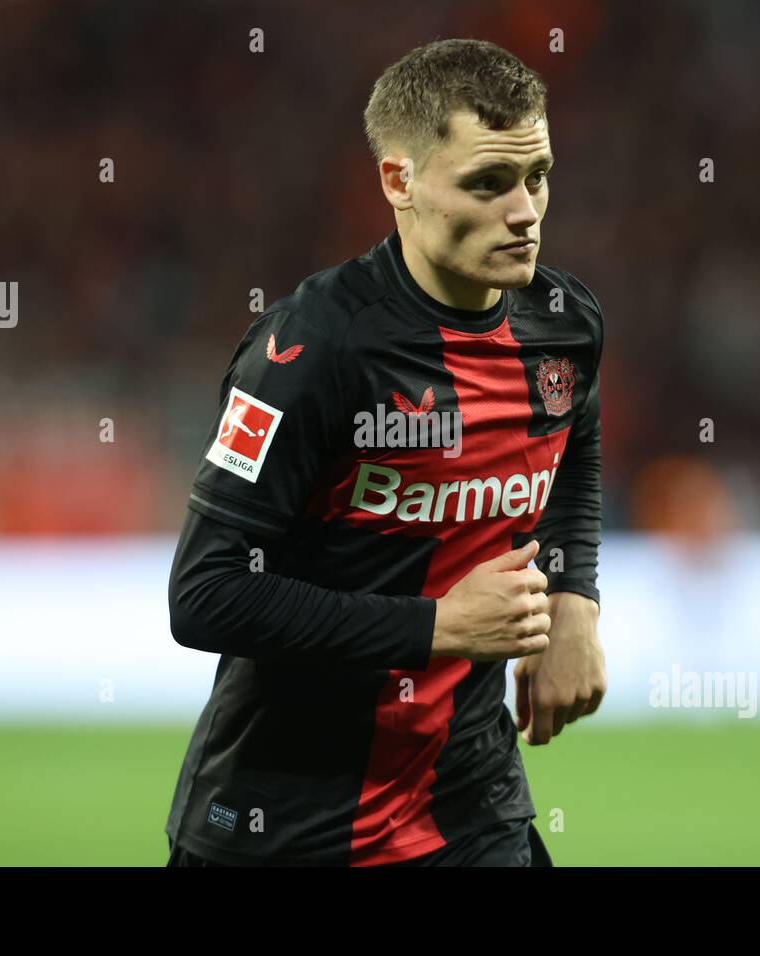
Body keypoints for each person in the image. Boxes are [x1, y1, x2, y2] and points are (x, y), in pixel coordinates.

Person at [165, 38, 606, 867]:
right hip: (285, 828)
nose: (526, 211)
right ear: (398, 182)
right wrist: (435, 626)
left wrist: (575, 599)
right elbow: (205, 595)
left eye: (537, 175)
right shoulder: (313, 351)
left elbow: (573, 442)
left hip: (469, 813)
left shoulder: (563, 325)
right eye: (487, 183)